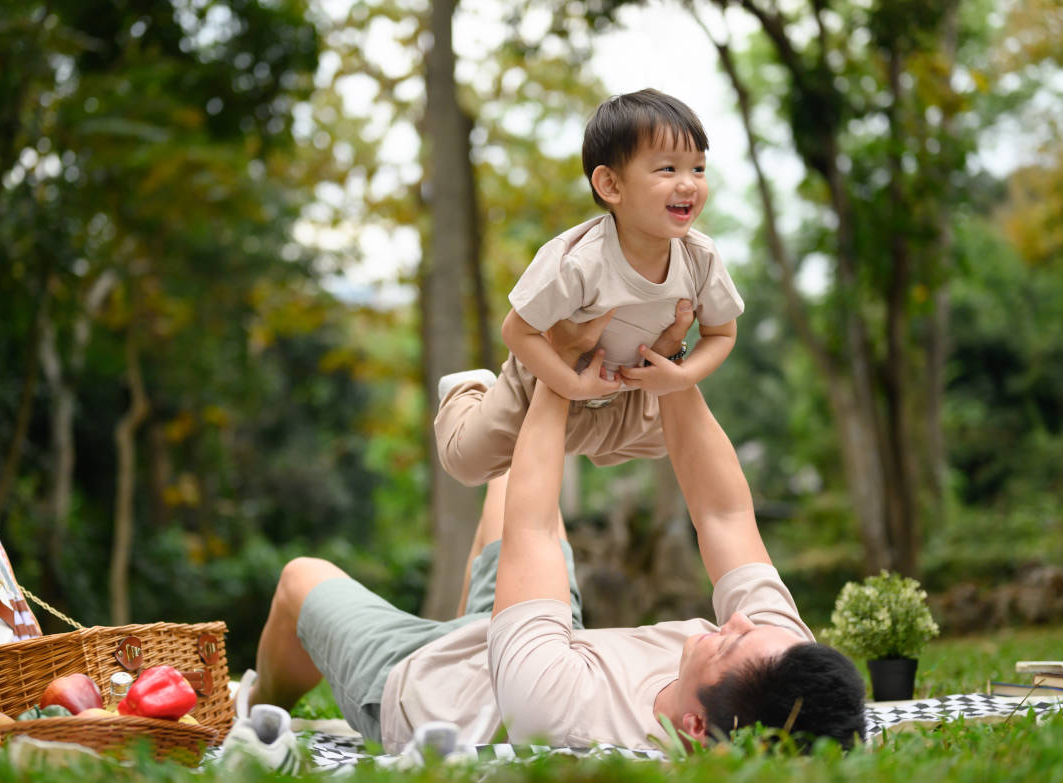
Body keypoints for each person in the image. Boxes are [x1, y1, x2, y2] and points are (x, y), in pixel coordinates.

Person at [250, 315, 866, 754]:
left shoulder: (566, 718)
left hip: (426, 685)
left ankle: (251, 709)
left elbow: (537, 531)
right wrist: (671, 364)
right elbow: (725, 515)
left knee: (301, 579)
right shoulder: (780, 664)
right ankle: (483, 406)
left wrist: (554, 374)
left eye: (727, 646)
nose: (730, 625)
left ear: (696, 728)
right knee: (507, 472)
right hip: (545, 634)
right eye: (746, 630)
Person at [434, 88, 745, 487]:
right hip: (546, 382)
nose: (688, 184)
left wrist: (681, 377)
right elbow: (517, 330)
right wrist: (571, 385)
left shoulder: (700, 257)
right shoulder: (578, 260)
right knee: (467, 464)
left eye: (698, 169)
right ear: (611, 185)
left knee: (670, 440)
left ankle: (602, 440)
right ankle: (467, 388)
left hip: (628, 388)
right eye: (668, 169)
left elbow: (722, 333)